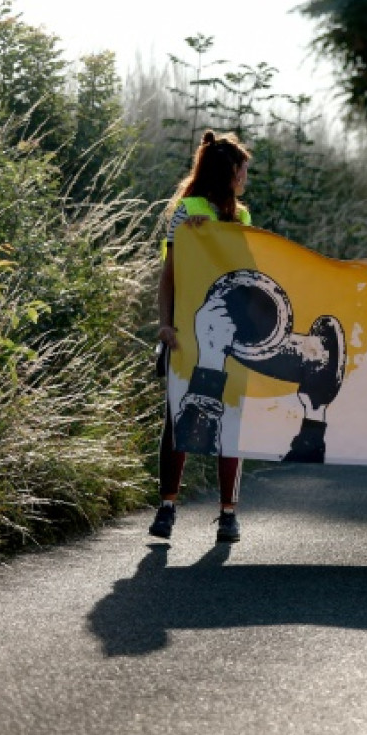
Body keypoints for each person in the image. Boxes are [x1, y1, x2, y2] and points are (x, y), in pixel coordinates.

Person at [151, 130, 252, 544]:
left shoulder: (241, 217)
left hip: (229, 334)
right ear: (229, 173)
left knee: (231, 419)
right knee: (181, 417)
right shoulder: (185, 212)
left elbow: (247, 272)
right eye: (243, 171)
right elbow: (170, 277)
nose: (246, 180)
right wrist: (165, 323)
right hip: (187, 335)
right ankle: (167, 507)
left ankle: (228, 514)